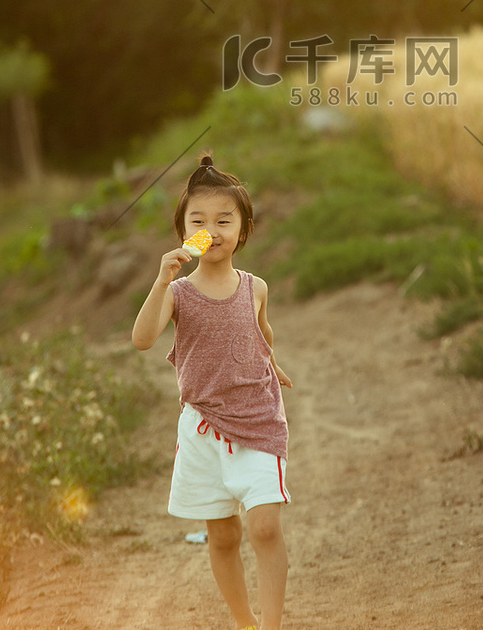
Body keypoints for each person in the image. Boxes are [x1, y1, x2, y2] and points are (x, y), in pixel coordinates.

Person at [132, 153, 293, 630]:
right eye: (199, 221)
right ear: (185, 232)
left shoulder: (256, 287)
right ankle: (244, 623)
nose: (213, 229)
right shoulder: (178, 294)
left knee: (265, 527)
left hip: (259, 419)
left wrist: (272, 364)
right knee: (223, 536)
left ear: (242, 230)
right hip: (203, 428)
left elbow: (261, 333)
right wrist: (162, 279)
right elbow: (142, 340)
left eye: (225, 220)